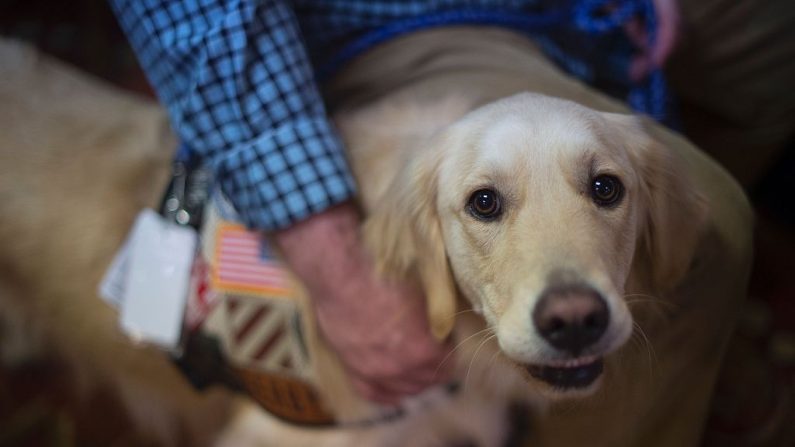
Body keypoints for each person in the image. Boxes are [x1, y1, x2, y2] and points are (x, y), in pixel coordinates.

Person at [108, 0, 678, 405]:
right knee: (720, 250)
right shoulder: (425, 195)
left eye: (604, 189)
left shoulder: (639, 165)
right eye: (485, 203)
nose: (574, 312)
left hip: (568, 20)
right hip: (370, 31)